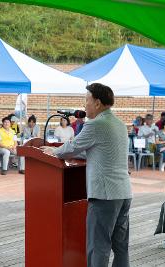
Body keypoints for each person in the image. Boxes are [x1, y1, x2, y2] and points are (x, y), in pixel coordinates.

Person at [41, 83, 132, 267]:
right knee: (120, 247)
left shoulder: (96, 124)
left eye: (86, 101)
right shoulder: (120, 124)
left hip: (104, 196)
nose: (84, 106)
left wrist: (53, 152)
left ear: (97, 103)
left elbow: (73, 147)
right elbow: (94, 150)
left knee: (98, 246)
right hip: (123, 193)